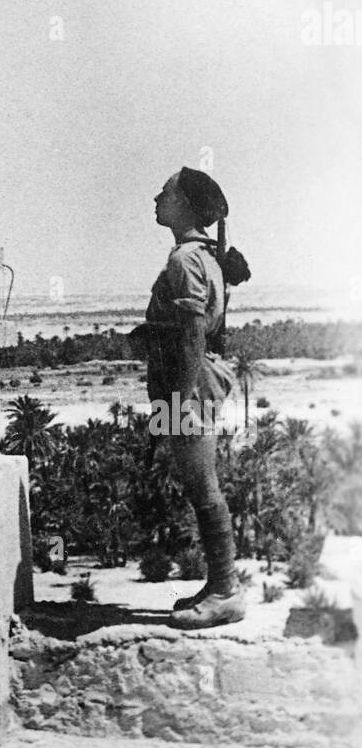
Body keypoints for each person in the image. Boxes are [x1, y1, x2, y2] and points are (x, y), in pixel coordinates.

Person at [135, 166, 248, 629]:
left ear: (183, 203)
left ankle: (226, 590)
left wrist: (177, 403)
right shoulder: (203, 256)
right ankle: (219, 585)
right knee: (198, 484)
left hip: (190, 383)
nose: (156, 198)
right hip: (190, 382)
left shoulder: (185, 260)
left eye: (165, 192)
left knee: (203, 486)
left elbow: (189, 339)